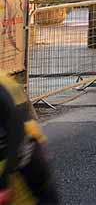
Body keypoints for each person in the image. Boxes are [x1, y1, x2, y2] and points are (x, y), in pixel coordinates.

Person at [0, 73, 60, 204]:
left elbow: (16, 126)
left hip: (21, 149)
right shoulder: (4, 77)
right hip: (24, 143)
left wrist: (3, 184)